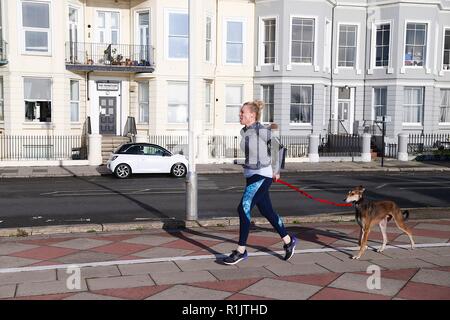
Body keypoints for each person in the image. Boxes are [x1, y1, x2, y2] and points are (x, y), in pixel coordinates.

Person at [223, 100, 297, 265]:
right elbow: (256, 153)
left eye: (243, 112)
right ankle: (288, 241)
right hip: (251, 174)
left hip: (262, 175)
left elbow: (279, 148)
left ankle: (241, 250)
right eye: (240, 112)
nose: (240, 115)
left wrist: (277, 170)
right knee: (267, 211)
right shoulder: (245, 131)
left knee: (243, 208)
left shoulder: (260, 130)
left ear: (252, 115)